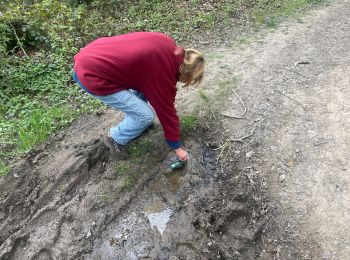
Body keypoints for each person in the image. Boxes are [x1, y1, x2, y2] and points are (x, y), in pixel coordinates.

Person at [73, 32, 204, 161]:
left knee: (146, 86)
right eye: (188, 80)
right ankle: (114, 138)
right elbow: (167, 112)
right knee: (145, 116)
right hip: (93, 76)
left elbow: (144, 76)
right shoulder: (162, 74)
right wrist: (176, 147)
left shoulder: (166, 43)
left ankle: (135, 121)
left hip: (93, 53)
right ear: (186, 73)